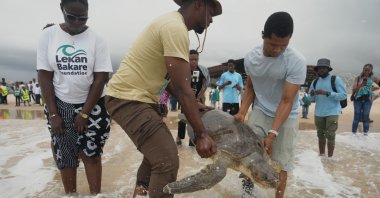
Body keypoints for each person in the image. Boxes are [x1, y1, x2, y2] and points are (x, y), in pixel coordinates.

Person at [105, 1, 221, 197]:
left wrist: (194, 103)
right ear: (199, 4)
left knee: (155, 155)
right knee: (167, 160)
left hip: (135, 98)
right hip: (129, 99)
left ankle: (140, 192)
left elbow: (172, 83)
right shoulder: (174, 28)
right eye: (211, 14)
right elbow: (184, 90)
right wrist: (202, 135)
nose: (211, 20)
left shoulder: (173, 24)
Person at [36, 0, 113, 194]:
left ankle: (96, 195)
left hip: (94, 105)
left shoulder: (98, 38)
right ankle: (71, 195)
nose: (77, 22)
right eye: (71, 17)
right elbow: (45, 76)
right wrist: (54, 114)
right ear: (62, 9)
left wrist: (85, 113)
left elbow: (101, 77)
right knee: (65, 155)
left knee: (92, 154)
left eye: (83, 18)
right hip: (59, 104)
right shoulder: (48, 35)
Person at [234, 12, 306, 198]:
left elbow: (287, 100)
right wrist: (242, 112)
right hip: (260, 110)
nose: (277, 50)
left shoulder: (296, 61)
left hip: (286, 115)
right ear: (262, 35)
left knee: (281, 163)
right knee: (249, 154)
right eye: (273, 44)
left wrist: (273, 134)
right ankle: (247, 193)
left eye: (284, 45)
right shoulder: (251, 58)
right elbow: (250, 88)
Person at [308, 58, 347, 157]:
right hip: (319, 113)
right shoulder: (315, 82)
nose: (321, 70)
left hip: (333, 112)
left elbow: (343, 95)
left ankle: (330, 158)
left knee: (330, 135)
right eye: (319, 68)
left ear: (328, 69)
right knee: (320, 135)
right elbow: (310, 98)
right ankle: (322, 156)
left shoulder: (335, 79)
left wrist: (327, 93)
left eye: (324, 68)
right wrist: (312, 94)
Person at [176, 49, 210, 146]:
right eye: (191, 59)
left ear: (198, 59)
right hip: (185, 98)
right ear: (188, 59)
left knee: (197, 119)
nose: (193, 61)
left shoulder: (203, 70)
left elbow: (205, 84)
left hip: (198, 98)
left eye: (196, 59)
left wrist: (199, 97)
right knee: (183, 118)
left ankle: (194, 139)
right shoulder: (183, 69)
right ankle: (179, 137)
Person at [351, 64, 378, 135]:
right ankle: (353, 134)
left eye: (368, 70)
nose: (366, 71)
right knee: (356, 117)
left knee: (366, 116)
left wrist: (375, 93)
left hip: (368, 100)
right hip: (358, 99)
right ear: (363, 69)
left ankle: (366, 135)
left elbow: (377, 87)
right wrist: (361, 85)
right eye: (364, 69)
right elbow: (354, 90)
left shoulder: (374, 78)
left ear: (371, 70)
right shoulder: (358, 78)